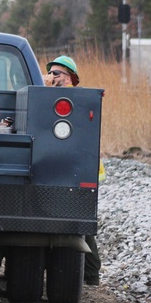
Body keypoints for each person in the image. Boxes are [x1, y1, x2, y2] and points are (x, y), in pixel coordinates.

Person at [44, 55, 104, 285]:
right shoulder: (54, 96)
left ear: (69, 77)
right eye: (49, 73)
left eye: (55, 73)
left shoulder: (75, 98)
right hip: (68, 169)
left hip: (80, 172)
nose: (51, 77)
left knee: (80, 225)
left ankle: (91, 275)